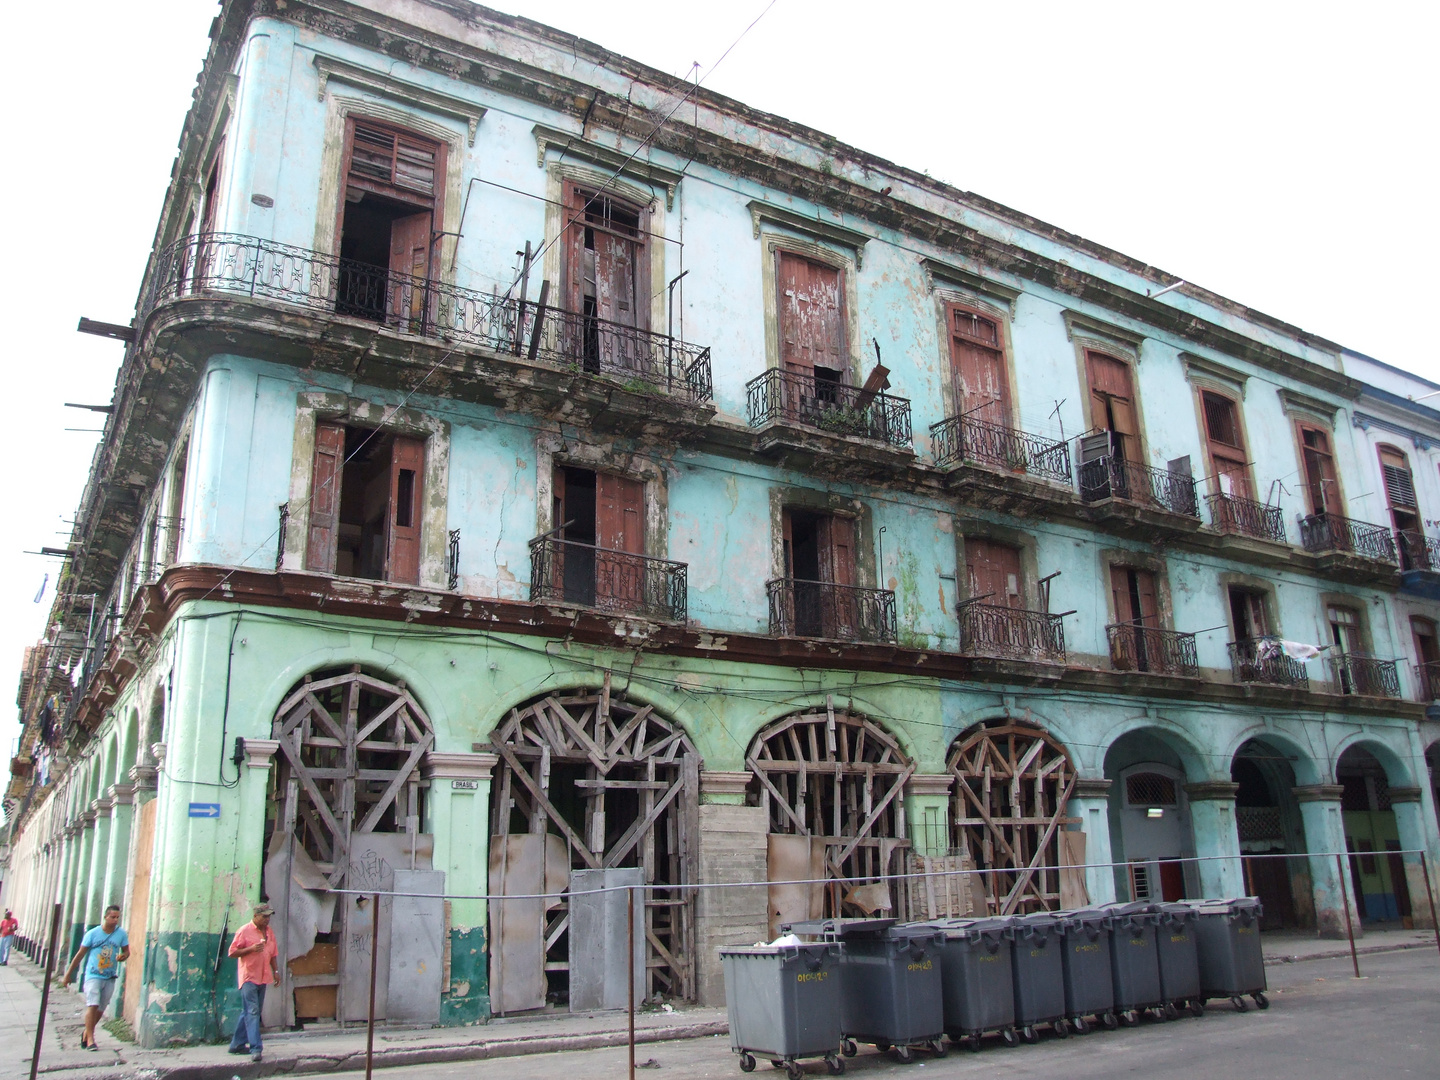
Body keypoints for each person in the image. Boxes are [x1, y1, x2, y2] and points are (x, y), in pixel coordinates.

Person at [61, 904, 129, 1051]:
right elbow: (80, 954)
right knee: (92, 1005)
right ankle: (91, 1039)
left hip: (110, 976)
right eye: (112, 917)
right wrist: (68, 975)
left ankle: (86, 1032)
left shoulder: (121, 934)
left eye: (117, 917)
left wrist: (122, 956)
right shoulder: (93, 934)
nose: (115, 920)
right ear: (105, 916)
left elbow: (126, 951)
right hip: (93, 975)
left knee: (101, 1008)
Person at [227, 903, 278, 1063]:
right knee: (253, 1011)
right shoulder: (244, 931)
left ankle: (237, 1044)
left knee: (249, 1011)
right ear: (255, 916)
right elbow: (232, 952)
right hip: (249, 976)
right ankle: (256, 1048)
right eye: (264, 916)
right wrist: (251, 949)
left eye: (269, 916)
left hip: (263, 976)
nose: (267, 919)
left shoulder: (269, 932)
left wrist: (275, 971)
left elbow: (273, 953)